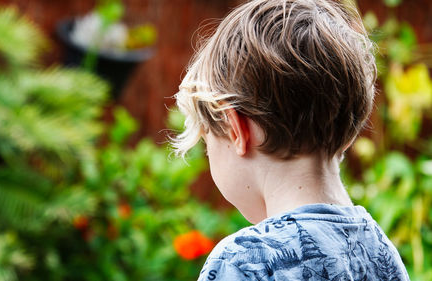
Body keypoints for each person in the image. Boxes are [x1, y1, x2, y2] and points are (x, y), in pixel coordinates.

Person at [170, 0, 410, 280]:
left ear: (235, 128)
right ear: (349, 133)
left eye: (207, 143)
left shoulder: (243, 262)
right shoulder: (379, 251)